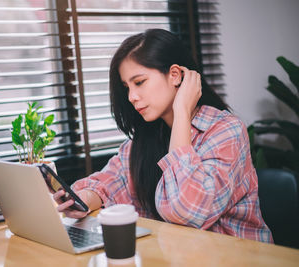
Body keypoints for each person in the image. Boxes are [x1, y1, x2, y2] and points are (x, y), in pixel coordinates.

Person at [53, 29, 273, 243]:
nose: (132, 97)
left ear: (175, 75)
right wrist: (80, 201)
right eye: (126, 87)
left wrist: (182, 113)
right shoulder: (145, 138)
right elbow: (109, 183)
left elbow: (186, 212)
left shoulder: (226, 131)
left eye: (139, 82)